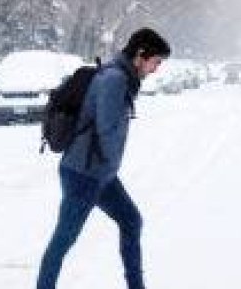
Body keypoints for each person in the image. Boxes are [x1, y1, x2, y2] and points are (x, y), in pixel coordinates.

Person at [37, 27, 170, 289]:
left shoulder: (122, 77)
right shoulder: (115, 79)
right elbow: (106, 127)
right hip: (83, 173)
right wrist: (111, 162)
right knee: (63, 240)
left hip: (99, 173)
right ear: (140, 55)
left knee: (131, 220)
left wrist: (108, 168)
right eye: (156, 62)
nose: (156, 69)